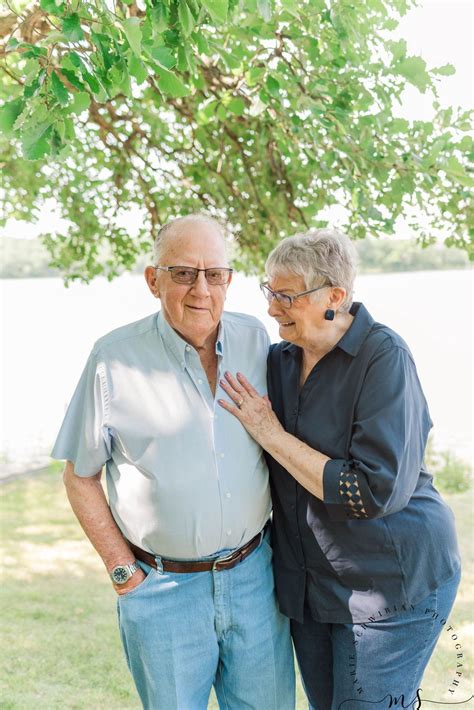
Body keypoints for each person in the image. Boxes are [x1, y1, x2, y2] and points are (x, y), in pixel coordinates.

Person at [51, 214, 295, 710]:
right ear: (153, 280)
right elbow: (80, 477)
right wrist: (124, 573)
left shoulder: (258, 341)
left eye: (215, 274)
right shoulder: (113, 358)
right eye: (183, 273)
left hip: (255, 579)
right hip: (162, 591)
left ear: (229, 280)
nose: (201, 289)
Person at [218, 228, 461, 709]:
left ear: (335, 296)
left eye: (286, 296)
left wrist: (272, 434)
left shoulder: (384, 357)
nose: (272, 309)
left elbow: (371, 491)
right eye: (269, 292)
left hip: (389, 587)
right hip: (309, 589)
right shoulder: (278, 362)